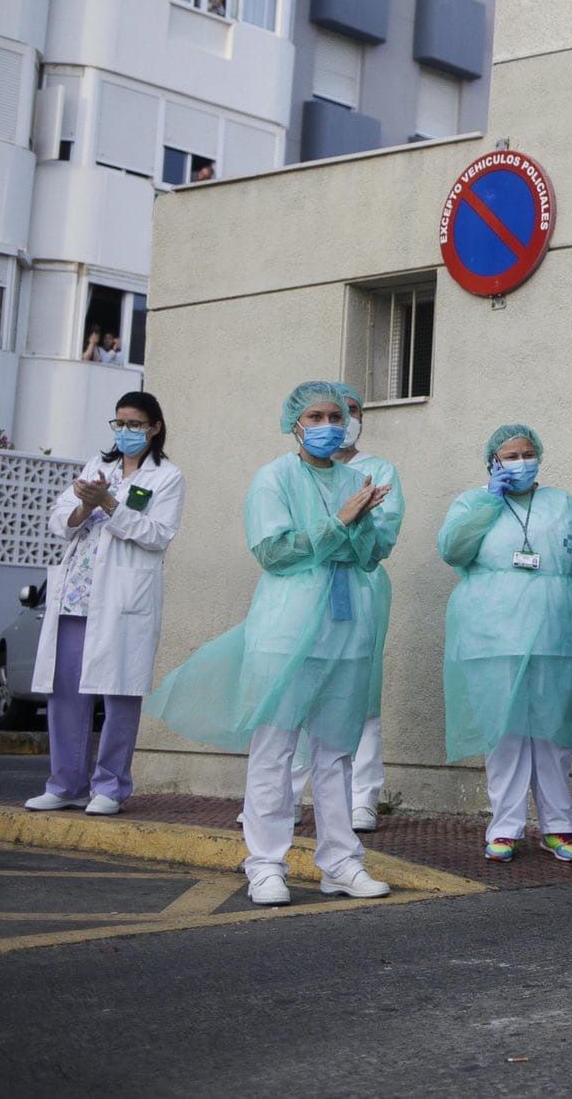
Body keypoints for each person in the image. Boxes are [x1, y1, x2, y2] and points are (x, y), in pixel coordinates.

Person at [146, 381, 394, 906]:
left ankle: (341, 864)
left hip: (346, 630)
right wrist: (341, 520)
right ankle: (265, 864)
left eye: (337, 415)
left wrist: (365, 521)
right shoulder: (273, 478)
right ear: (295, 424)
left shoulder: (359, 478)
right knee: (275, 749)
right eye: (318, 415)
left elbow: (372, 555)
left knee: (336, 754)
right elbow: (275, 552)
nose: (330, 424)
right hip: (286, 629)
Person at [439, 423, 572, 863]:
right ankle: (506, 827)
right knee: (506, 732)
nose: (520, 461)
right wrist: (487, 502)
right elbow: (453, 550)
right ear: (493, 462)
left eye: (527, 453)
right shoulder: (474, 502)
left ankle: (560, 826)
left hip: (553, 634)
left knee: (553, 732)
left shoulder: (562, 504)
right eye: (510, 455)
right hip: (492, 636)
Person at [23, 393, 185, 817]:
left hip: (121, 600)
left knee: (119, 694)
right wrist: (84, 504)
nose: (126, 432)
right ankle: (65, 784)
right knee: (65, 693)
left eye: (135, 424)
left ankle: (110, 787)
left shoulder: (167, 477)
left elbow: (157, 534)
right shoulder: (99, 465)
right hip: (76, 596)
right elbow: (59, 519)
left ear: (154, 427)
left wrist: (110, 504)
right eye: (119, 424)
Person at [290, 384, 401, 832]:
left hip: (360, 588)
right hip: (304, 592)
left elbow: (381, 535)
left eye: (348, 413)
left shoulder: (376, 470)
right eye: (324, 415)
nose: (336, 424)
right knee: (298, 692)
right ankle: (288, 796)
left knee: (361, 693)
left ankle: (362, 798)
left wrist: (351, 527)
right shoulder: (294, 473)